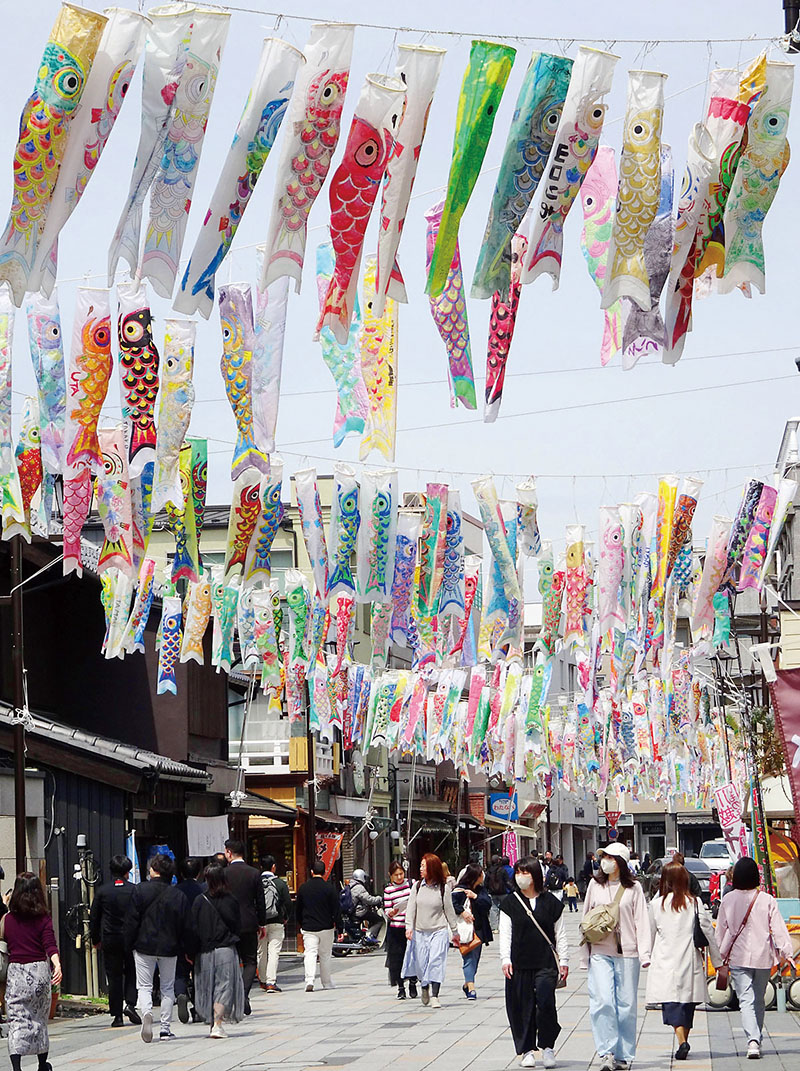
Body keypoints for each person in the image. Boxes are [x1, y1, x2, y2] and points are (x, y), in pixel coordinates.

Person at [581, 843, 651, 1071]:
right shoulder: (594, 884)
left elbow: (642, 920)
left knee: (626, 1004)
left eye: (610, 857)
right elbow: (585, 920)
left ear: (620, 861)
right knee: (602, 1000)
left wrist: (645, 953)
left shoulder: (634, 888)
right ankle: (606, 1051)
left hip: (628, 952)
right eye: (604, 857)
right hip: (600, 950)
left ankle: (623, 1054)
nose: (605, 861)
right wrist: (584, 957)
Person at [716, 856, 793, 1060]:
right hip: (762, 957)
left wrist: (720, 953)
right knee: (758, 999)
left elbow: (721, 931)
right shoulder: (766, 899)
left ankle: (753, 1039)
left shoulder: (728, 899)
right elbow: (778, 929)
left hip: (738, 957)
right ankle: (755, 1039)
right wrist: (787, 952)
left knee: (746, 1000)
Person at [646, 862, 721, 1060]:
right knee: (687, 1005)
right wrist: (718, 960)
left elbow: (649, 934)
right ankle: (683, 1043)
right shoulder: (694, 903)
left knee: (671, 1005)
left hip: (665, 960)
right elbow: (708, 931)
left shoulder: (656, 905)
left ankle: (682, 1042)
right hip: (689, 959)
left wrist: (645, 957)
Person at [500, 857, 569, 1069]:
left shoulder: (551, 903)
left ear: (535, 875)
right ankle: (527, 1050)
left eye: (525, 873)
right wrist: (505, 959)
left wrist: (564, 960)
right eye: (518, 873)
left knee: (546, 1003)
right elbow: (505, 933)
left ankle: (548, 1047)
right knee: (521, 1006)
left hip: (545, 963)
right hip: (519, 963)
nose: (521, 877)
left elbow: (561, 934)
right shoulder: (510, 903)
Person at [124, 853, 189, 1043]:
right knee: (167, 987)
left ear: (153, 870)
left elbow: (131, 921)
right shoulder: (178, 895)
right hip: (170, 946)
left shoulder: (139, 890)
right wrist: (185, 948)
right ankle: (166, 1029)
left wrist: (129, 944)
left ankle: (146, 1013)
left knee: (144, 986)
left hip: (144, 945)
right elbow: (184, 925)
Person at [1, 873, 62, 1071]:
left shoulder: (7, 920)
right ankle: (42, 1064)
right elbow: (49, 944)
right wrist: (57, 964)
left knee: (17, 1020)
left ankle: (17, 1067)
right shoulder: (43, 918)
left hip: (17, 973)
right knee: (39, 1019)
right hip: (39, 973)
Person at [189, 864, 245, 1039]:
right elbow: (238, 927)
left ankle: (212, 1022)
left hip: (204, 951)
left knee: (207, 986)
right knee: (224, 986)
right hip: (226, 949)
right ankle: (217, 1023)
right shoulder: (231, 900)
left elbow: (193, 928)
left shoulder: (199, 900)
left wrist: (190, 952)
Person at [89, 854, 141, 1028]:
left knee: (114, 976)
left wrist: (95, 939)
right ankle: (131, 1004)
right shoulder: (134, 890)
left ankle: (117, 1015)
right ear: (128, 871)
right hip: (131, 938)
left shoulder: (103, 891)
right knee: (132, 972)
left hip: (110, 938)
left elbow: (94, 917)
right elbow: (139, 916)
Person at [403, 853, 459, 1009]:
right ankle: (424, 986)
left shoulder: (443, 888)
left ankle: (435, 995)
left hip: (438, 930)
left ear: (432, 868)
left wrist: (455, 931)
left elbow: (449, 911)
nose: (420, 869)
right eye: (420, 866)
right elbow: (411, 908)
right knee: (421, 965)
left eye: (423, 866)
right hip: (420, 931)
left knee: (436, 961)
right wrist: (409, 927)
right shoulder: (416, 887)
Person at [223, 838, 267, 1016]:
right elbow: (260, 901)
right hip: (249, 922)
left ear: (229, 852)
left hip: (228, 922)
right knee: (250, 961)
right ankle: (244, 994)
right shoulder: (254, 873)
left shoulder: (224, 874)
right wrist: (262, 922)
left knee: (231, 960)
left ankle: (236, 996)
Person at [296, 859, 341, 992]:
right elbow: (336, 909)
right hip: (326, 926)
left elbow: (298, 908)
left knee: (310, 953)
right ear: (324, 872)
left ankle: (309, 980)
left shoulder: (304, 888)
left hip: (309, 927)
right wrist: (339, 926)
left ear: (311, 872)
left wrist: (301, 923)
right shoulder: (330, 888)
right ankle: (326, 982)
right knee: (325, 955)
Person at [452, 863, 492, 999]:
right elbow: (451, 904)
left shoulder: (481, 890)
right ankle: (472, 988)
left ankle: (467, 983)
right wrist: (462, 912)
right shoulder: (459, 890)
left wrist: (475, 897)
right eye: (481, 874)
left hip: (479, 929)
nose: (483, 876)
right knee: (468, 958)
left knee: (475, 959)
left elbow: (487, 904)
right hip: (464, 930)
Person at [257, 854, 292, 993]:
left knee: (261, 952)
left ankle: (263, 980)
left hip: (260, 922)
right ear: (273, 867)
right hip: (277, 921)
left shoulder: (256, 882)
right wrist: (286, 917)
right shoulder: (280, 883)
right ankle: (271, 982)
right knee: (274, 952)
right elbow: (288, 903)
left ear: (260, 867)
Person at [175, 858, 204, 1024]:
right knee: (199, 974)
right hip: (200, 938)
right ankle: (198, 1009)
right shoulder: (203, 890)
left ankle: (180, 993)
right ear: (199, 873)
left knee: (180, 972)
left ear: (180, 873)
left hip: (179, 938)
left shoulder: (175, 891)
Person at [383, 861, 417, 1000]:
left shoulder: (412, 884)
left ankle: (413, 983)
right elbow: (386, 909)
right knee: (397, 959)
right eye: (396, 875)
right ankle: (401, 987)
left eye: (401, 874)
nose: (399, 877)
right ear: (390, 876)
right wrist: (391, 912)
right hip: (396, 929)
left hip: (411, 927)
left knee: (413, 957)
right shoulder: (388, 890)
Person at [349, 868, 383, 942]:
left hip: (353, 911)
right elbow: (369, 900)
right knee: (379, 920)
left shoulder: (350, 885)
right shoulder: (359, 887)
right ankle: (369, 935)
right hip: (359, 912)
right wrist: (379, 898)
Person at [487, 854, 512, 932]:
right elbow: (507, 881)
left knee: (493, 909)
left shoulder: (489, 870)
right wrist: (512, 889)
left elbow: (486, 882)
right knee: (505, 909)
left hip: (493, 892)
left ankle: (494, 927)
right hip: (503, 892)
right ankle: (505, 926)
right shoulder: (502, 870)